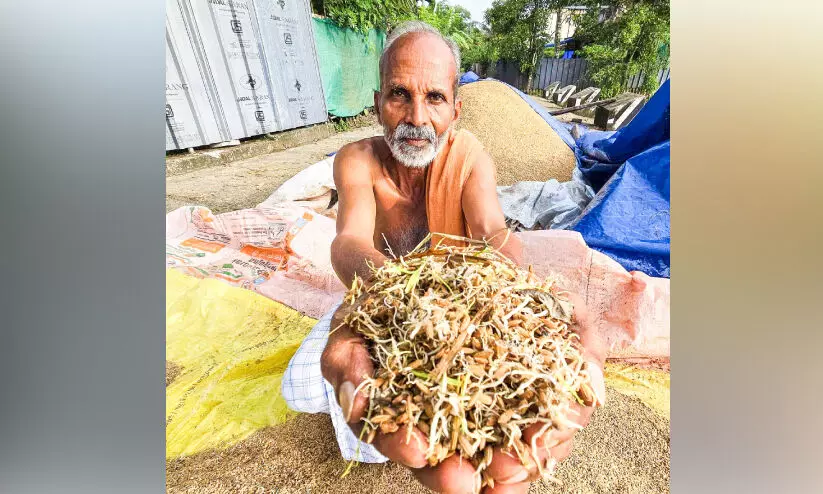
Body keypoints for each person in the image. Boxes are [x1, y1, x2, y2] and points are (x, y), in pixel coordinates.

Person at [283, 21, 606, 494]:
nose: (416, 117)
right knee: (302, 388)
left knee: (419, 428)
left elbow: (492, 230)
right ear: (377, 104)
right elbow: (348, 241)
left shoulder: (471, 157)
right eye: (399, 94)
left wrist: (527, 289)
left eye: (434, 97)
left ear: (456, 107)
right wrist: (395, 294)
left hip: (464, 304)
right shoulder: (357, 159)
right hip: (380, 303)